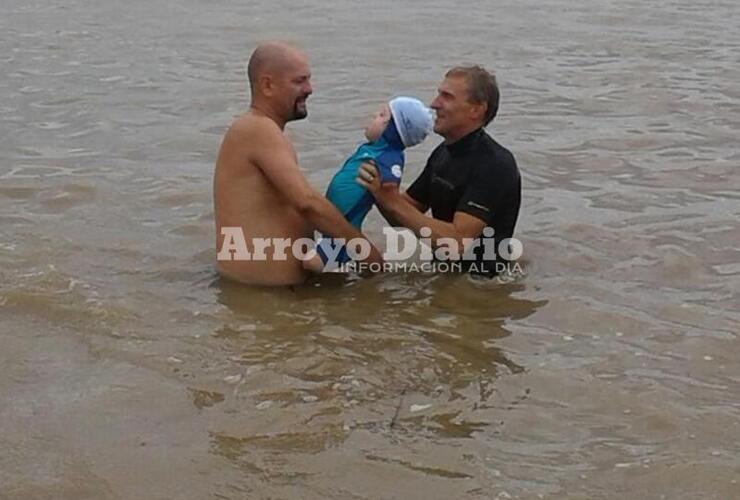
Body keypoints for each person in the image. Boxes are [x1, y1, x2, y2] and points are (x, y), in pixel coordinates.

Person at [213, 41, 382, 286]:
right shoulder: (256, 128)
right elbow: (307, 203)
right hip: (262, 303)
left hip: (276, 300)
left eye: (309, 80)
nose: (310, 89)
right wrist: (365, 251)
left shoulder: (267, 132)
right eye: (299, 81)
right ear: (267, 85)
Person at [357, 65, 521, 276]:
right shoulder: (443, 153)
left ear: (476, 109)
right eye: (438, 94)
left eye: (447, 97)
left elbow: (457, 243)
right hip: (444, 276)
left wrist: (390, 200)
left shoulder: (496, 164)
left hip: (482, 288)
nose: (435, 104)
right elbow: (401, 215)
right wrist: (375, 186)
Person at [304, 96, 433, 271]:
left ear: (393, 131)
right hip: (336, 217)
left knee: (311, 264)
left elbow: (390, 188)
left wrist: (387, 188)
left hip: (347, 222)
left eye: (381, 115)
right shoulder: (372, 149)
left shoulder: (389, 157)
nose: (374, 115)